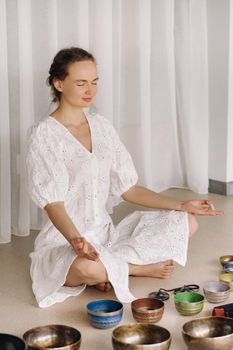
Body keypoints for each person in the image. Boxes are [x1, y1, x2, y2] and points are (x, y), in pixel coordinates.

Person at [26, 47, 223, 308]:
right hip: (65, 241)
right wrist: (76, 240)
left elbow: (128, 188)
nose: (90, 90)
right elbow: (54, 204)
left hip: (108, 236)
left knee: (188, 222)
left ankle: (111, 267)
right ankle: (133, 268)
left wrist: (182, 205)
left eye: (95, 82)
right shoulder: (44, 135)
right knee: (87, 268)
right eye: (81, 83)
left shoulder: (102, 126)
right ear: (59, 83)